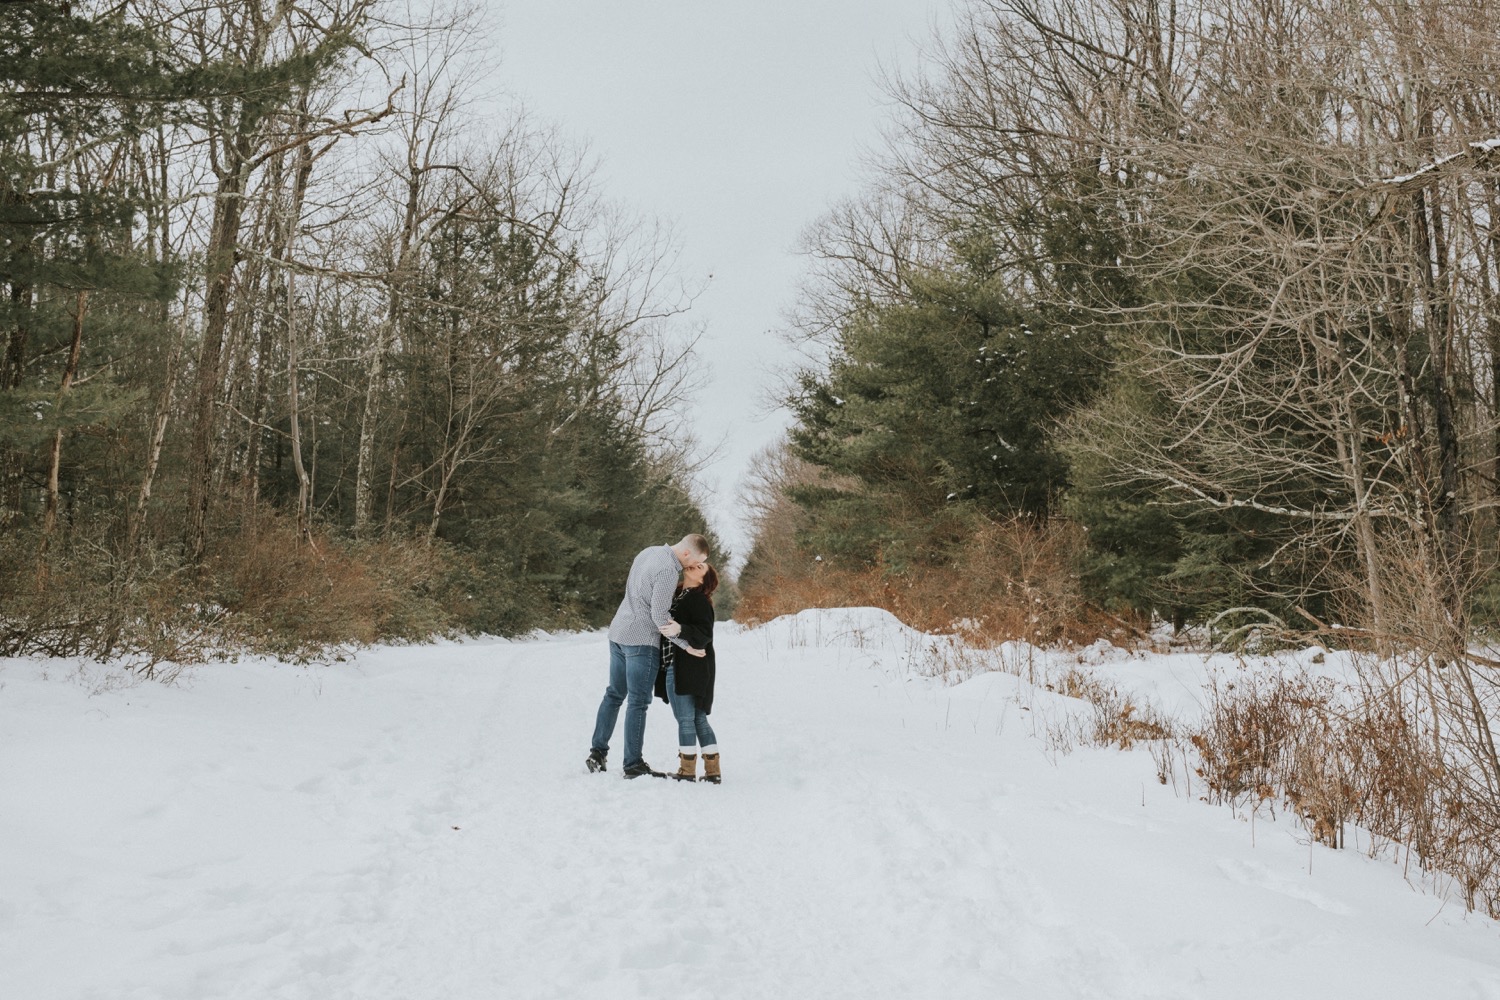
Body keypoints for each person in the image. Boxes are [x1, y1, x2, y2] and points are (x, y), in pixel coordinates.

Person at [587, 534, 710, 779]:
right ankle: (633, 764)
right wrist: (685, 644)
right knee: (638, 702)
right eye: (696, 561)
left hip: (619, 632)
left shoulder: (648, 551)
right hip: (641, 641)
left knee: (614, 694)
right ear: (687, 554)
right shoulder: (668, 570)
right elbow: (658, 616)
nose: (692, 567)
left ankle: (597, 753)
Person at [655, 562, 721, 783]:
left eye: (701, 567)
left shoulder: (698, 599)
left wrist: (680, 628)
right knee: (697, 719)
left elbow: (704, 634)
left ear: (704, 580)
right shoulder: (679, 595)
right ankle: (713, 772)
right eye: (694, 564)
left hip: (689, 666)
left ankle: (687, 770)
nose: (694, 566)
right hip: (683, 664)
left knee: (686, 719)